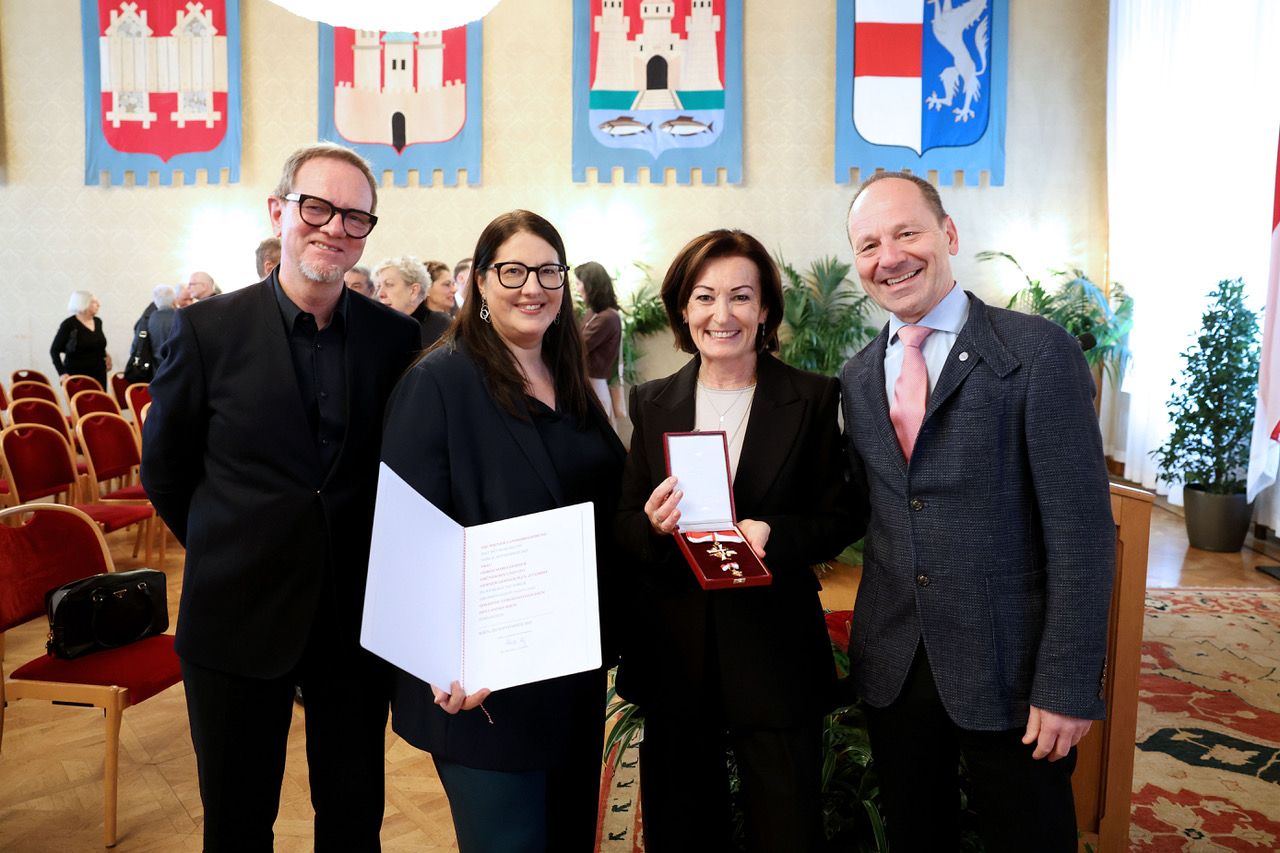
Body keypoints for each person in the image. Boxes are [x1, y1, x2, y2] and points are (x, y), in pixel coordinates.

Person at [140, 142, 421, 852]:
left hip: (354, 619)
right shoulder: (205, 330)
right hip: (235, 614)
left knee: (354, 821)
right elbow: (165, 471)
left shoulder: (396, 338)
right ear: (279, 211)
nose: (335, 228)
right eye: (317, 208)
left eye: (355, 217)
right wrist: (232, 541)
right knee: (237, 825)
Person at [839, 172, 1114, 852]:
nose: (889, 257)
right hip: (897, 666)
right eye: (869, 244)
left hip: (1012, 670)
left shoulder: (1037, 351)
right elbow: (865, 508)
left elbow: (1082, 538)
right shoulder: (857, 375)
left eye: (907, 232)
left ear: (949, 234)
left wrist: (1067, 684)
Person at [381, 210, 625, 852]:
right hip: (481, 682)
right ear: (481, 283)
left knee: (569, 838)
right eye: (512, 271)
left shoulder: (568, 377)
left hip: (567, 671)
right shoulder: (440, 379)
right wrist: (442, 656)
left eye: (548, 271)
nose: (533, 287)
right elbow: (408, 535)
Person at [614, 229, 855, 852]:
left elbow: (842, 515)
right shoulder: (652, 402)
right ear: (683, 309)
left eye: (740, 297)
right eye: (704, 297)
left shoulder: (812, 398)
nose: (721, 314)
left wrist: (776, 532)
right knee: (682, 829)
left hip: (774, 650)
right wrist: (652, 525)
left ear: (765, 309)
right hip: (676, 653)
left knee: (787, 828)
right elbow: (625, 524)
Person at [573, 262, 622, 423]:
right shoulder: (593, 313)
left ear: (590, 285)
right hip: (588, 384)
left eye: (578, 283)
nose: (577, 289)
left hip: (594, 385)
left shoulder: (607, 317)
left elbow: (577, 347)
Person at [374, 255, 451, 347]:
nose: (380, 294)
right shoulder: (376, 326)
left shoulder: (443, 326)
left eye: (389, 284)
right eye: (378, 286)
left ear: (414, 291)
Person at [51, 290, 110, 389]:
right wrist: (62, 373)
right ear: (83, 304)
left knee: (100, 399)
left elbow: (96, 343)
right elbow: (54, 350)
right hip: (77, 375)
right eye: (94, 302)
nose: (98, 305)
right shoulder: (69, 324)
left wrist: (107, 355)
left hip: (99, 373)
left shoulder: (98, 322)